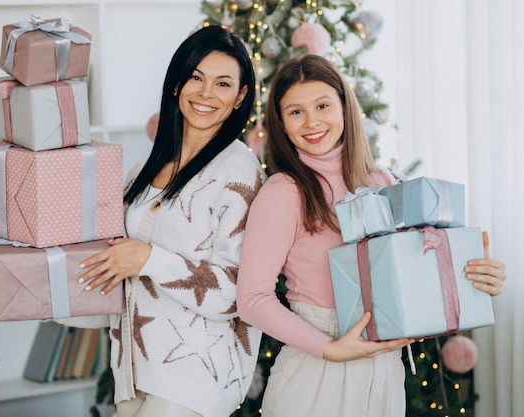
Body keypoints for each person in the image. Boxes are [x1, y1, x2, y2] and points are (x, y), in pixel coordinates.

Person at [235, 54, 507, 417]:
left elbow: (414, 272)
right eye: (295, 111)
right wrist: (330, 348)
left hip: (386, 373)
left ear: (345, 109)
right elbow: (252, 299)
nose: (312, 121)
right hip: (317, 371)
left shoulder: (382, 182)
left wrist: (474, 277)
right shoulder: (284, 192)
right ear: (281, 124)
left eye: (322, 105)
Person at [75, 25, 266, 417]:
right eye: (196, 77)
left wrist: (148, 259)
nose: (206, 93)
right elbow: (115, 261)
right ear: (177, 83)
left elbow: (237, 290)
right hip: (132, 368)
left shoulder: (240, 172)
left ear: (240, 97)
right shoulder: (144, 168)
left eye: (223, 84)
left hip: (193, 380)